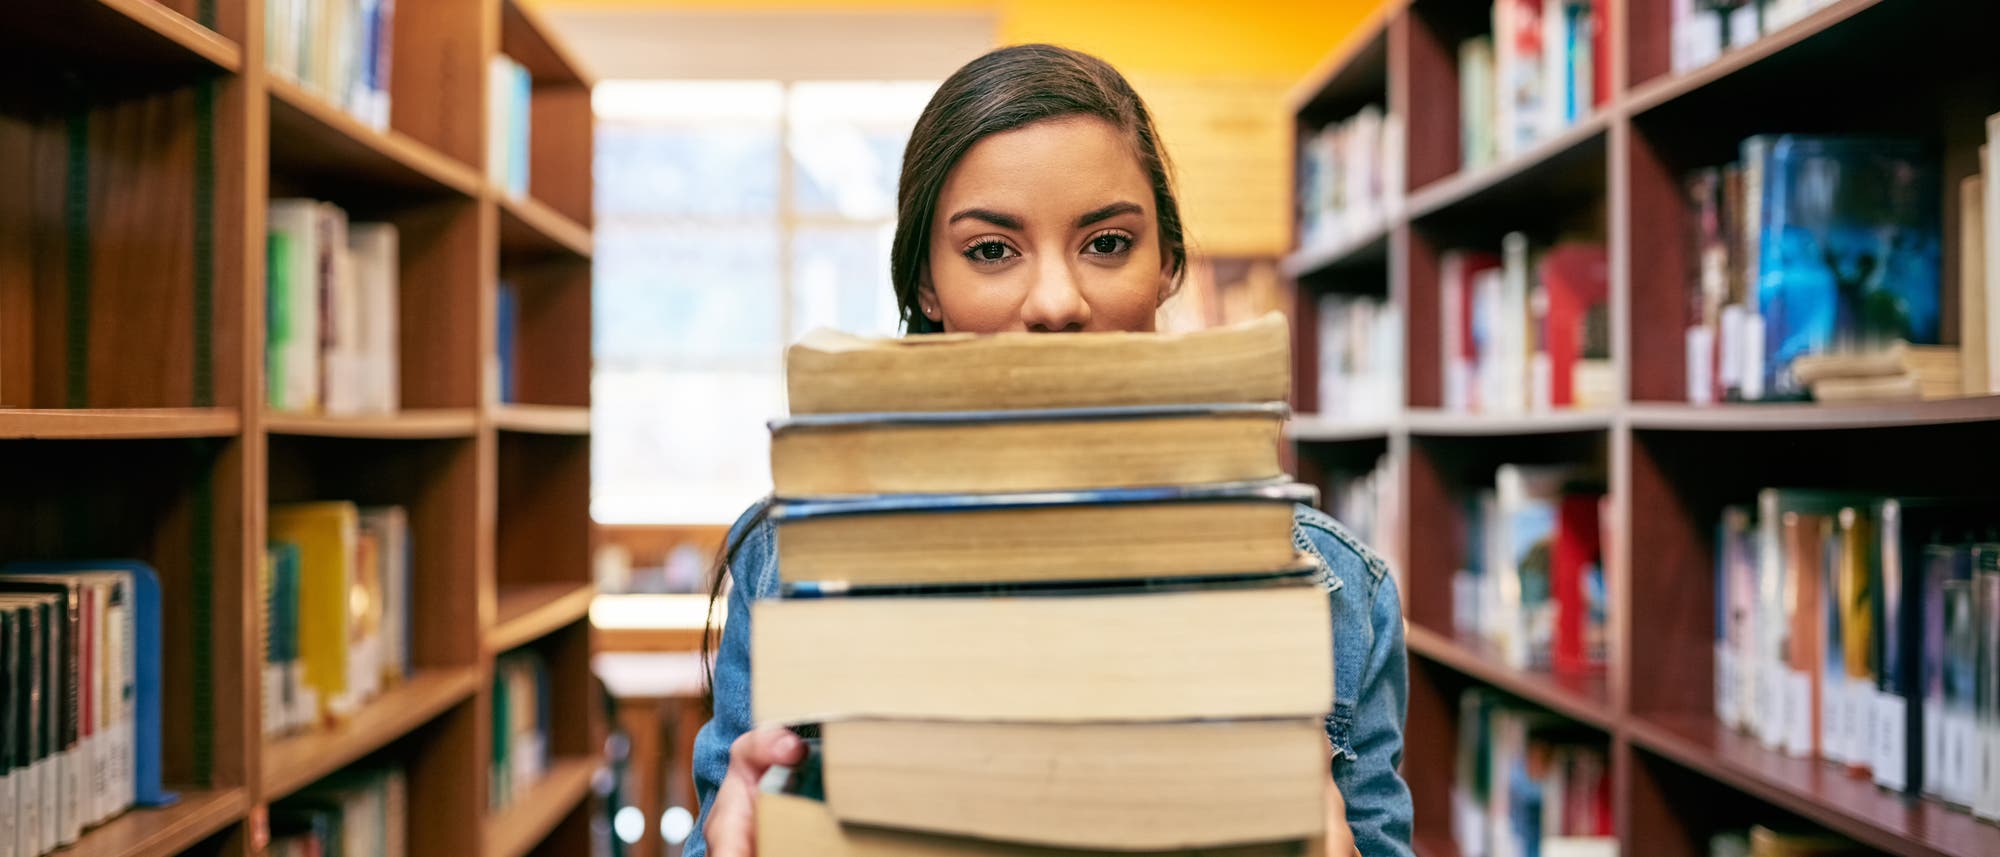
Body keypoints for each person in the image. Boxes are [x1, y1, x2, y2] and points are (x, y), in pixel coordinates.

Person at [686, 43, 1413, 857]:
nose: (1058, 302)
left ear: (1168, 264)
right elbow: (737, 810)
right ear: (927, 285)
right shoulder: (796, 555)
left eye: (1107, 242)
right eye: (991, 250)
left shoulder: (1339, 592)